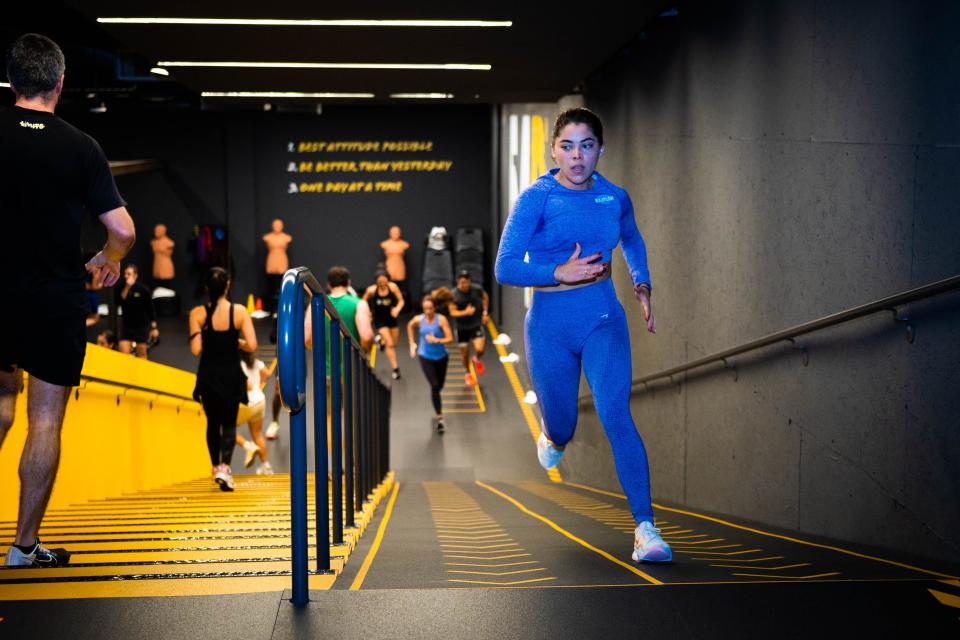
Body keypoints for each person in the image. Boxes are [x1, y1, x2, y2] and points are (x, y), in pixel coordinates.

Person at [494, 107, 671, 564]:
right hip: (550, 324)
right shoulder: (538, 197)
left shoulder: (613, 197)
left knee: (616, 414)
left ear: (600, 150)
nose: (577, 157)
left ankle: (645, 528)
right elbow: (505, 265)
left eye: (586, 146)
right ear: (554, 150)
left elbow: (631, 238)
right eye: (568, 146)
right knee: (565, 426)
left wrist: (642, 283)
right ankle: (551, 437)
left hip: (602, 317)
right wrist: (558, 271)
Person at [0, 33, 136, 568]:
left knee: (1, 401)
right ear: (59, 83)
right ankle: (23, 548)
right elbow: (121, 229)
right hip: (52, 300)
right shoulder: (81, 145)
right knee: (46, 419)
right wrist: (109, 257)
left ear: (11, 81)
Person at [189, 267, 257, 492]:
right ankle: (226, 467)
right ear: (227, 285)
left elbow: (196, 349)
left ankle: (215, 466)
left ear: (206, 287)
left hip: (208, 375)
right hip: (230, 374)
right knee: (229, 423)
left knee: (212, 423)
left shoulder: (197, 314)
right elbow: (253, 345)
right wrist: (236, 342)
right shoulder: (238, 312)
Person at [407, 295, 454, 433]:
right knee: (434, 386)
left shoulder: (441, 320)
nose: (428, 311)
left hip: (441, 356)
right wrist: (412, 343)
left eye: (430, 308)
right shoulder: (418, 319)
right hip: (425, 355)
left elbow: (450, 338)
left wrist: (437, 340)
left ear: (435, 308)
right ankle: (440, 416)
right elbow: (409, 326)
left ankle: (437, 400)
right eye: (425, 308)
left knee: (439, 386)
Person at [448, 270, 489, 386]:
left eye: (465, 282)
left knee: (480, 349)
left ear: (469, 282)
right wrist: (465, 312)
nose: (463, 285)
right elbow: (452, 312)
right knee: (465, 354)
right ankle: (468, 374)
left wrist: (485, 313)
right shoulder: (453, 295)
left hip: (475, 324)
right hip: (461, 328)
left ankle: (476, 359)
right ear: (457, 282)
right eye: (461, 283)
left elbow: (485, 297)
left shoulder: (477, 289)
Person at [236, 349, 272, 475]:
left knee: (224, 428)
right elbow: (266, 374)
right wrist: (260, 383)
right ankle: (266, 466)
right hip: (260, 400)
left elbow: (248, 385)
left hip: (248, 402)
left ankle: (248, 446)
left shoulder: (238, 364)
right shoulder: (256, 362)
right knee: (257, 434)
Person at [363, 272, 404, 379]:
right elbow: (363, 302)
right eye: (379, 282)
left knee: (394, 343)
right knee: (390, 344)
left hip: (391, 318)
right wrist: (368, 313)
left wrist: (397, 309)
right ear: (376, 282)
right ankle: (396, 369)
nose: (382, 284)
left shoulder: (393, 288)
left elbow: (401, 301)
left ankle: (380, 340)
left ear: (388, 280)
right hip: (379, 320)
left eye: (384, 281)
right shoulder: (371, 290)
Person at [117, 264, 158, 358]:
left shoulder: (143, 290)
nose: (126, 276)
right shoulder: (120, 287)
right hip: (127, 325)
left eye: (129, 274)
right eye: (125, 274)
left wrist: (154, 327)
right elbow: (119, 302)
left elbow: (150, 308)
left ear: (135, 275)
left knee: (142, 352)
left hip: (141, 326)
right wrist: (127, 287)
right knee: (123, 352)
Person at [263, 218, 292, 313]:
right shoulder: (268, 237)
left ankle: (282, 306)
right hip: (271, 260)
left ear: (282, 226)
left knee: (281, 284)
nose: (277, 227)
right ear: (272, 226)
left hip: (282, 261)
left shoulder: (286, 237)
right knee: (271, 285)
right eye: (275, 225)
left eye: (279, 225)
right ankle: (271, 308)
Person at [380, 225, 410, 302]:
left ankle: (399, 301)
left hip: (400, 267)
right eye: (393, 232)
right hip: (390, 266)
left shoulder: (403, 244)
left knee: (400, 285)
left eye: (397, 232)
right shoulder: (385, 244)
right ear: (390, 233)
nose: (395, 234)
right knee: (389, 284)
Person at [150, 223, 175, 288]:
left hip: (165, 265)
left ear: (163, 231)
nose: (155, 232)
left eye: (157, 231)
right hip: (157, 264)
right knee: (159, 284)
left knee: (166, 283)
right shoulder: (154, 242)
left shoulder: (169, 242)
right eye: (155, 231)